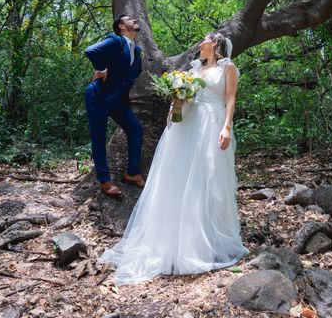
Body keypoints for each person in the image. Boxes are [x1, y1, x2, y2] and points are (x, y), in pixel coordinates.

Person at [99, 32, 248, 284]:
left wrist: (227, 127)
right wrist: (176, 102)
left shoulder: (228, 68)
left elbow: (230, 98)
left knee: (208, 179)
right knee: (179, 179)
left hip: (211, 125)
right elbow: (186, 97)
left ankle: (207, 241)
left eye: (204, 41)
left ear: (215, 44)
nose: (199, 44)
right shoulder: (193, 70)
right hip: (187, 126)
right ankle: (177, 239)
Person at [84, 15, 145, 197]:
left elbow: (133, 73)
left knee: (136, 129)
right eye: (129, 19)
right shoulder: (115, 40)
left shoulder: (138, 49)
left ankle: (132, 173)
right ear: (121, 26)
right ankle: (104, 180)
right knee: (99, 137)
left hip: (119, 100)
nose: (134, 19)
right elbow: (91, 51)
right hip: (98, 96)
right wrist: (102, 69)